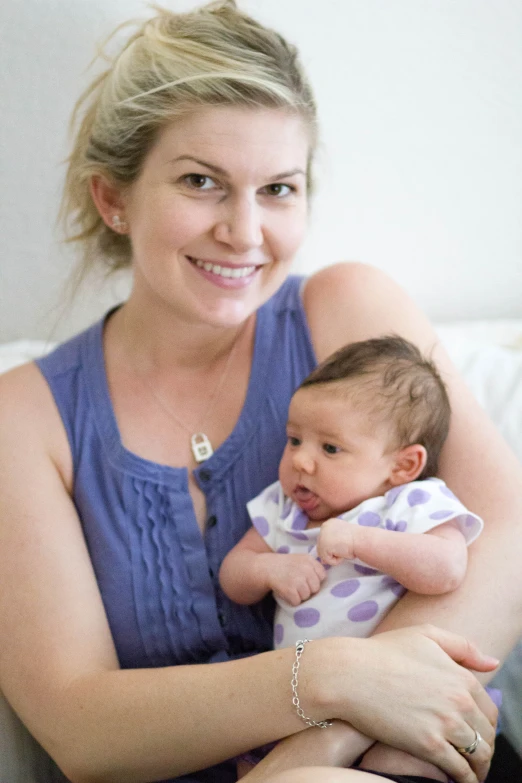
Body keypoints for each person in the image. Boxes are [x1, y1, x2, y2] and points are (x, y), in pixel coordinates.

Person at [0, 2, 520, 782]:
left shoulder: (346, 311)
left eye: (278, 188)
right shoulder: (25, 416)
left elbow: (505, 535)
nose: (245, 232)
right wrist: (335, 677)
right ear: (114, 199)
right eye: (202, 181)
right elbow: (80, 724)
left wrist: (316, 752)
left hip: (404, 761)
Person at [220, 335, 490, 781]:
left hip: (406, 696)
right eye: (294, 440)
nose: (301, 461)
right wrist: (269, 568)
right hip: (304, 703)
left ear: (401, 467)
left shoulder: (411, 501)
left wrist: (363, 542)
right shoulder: (283, 508)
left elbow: (447, 568)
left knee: (405, 763)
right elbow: (233, 574)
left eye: (330, 448)